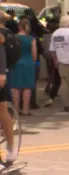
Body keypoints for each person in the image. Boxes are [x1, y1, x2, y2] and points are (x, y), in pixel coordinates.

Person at [9, 18, 38, 116]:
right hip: (28, 63)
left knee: (15, 87)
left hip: (16, 63)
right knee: (27, 87)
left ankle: (16, 109)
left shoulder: (14, 37)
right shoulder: (31, 39)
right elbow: (34, 54)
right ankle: (25, 109)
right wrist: (32, 61)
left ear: (19, 26)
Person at [0, 11, 17, 163]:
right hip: (4, 74)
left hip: (1, 76)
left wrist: (2, 75)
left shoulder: (2, 34)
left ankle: (11, 148)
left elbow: (1, 55)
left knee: (2, 108)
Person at [43, 18, 60, 107]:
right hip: (56, 59)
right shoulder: (55, 36)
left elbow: (46, 49)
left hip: (51, 58)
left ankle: (50, 93)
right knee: (57, 78)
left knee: (54, 77)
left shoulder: (46, 36)